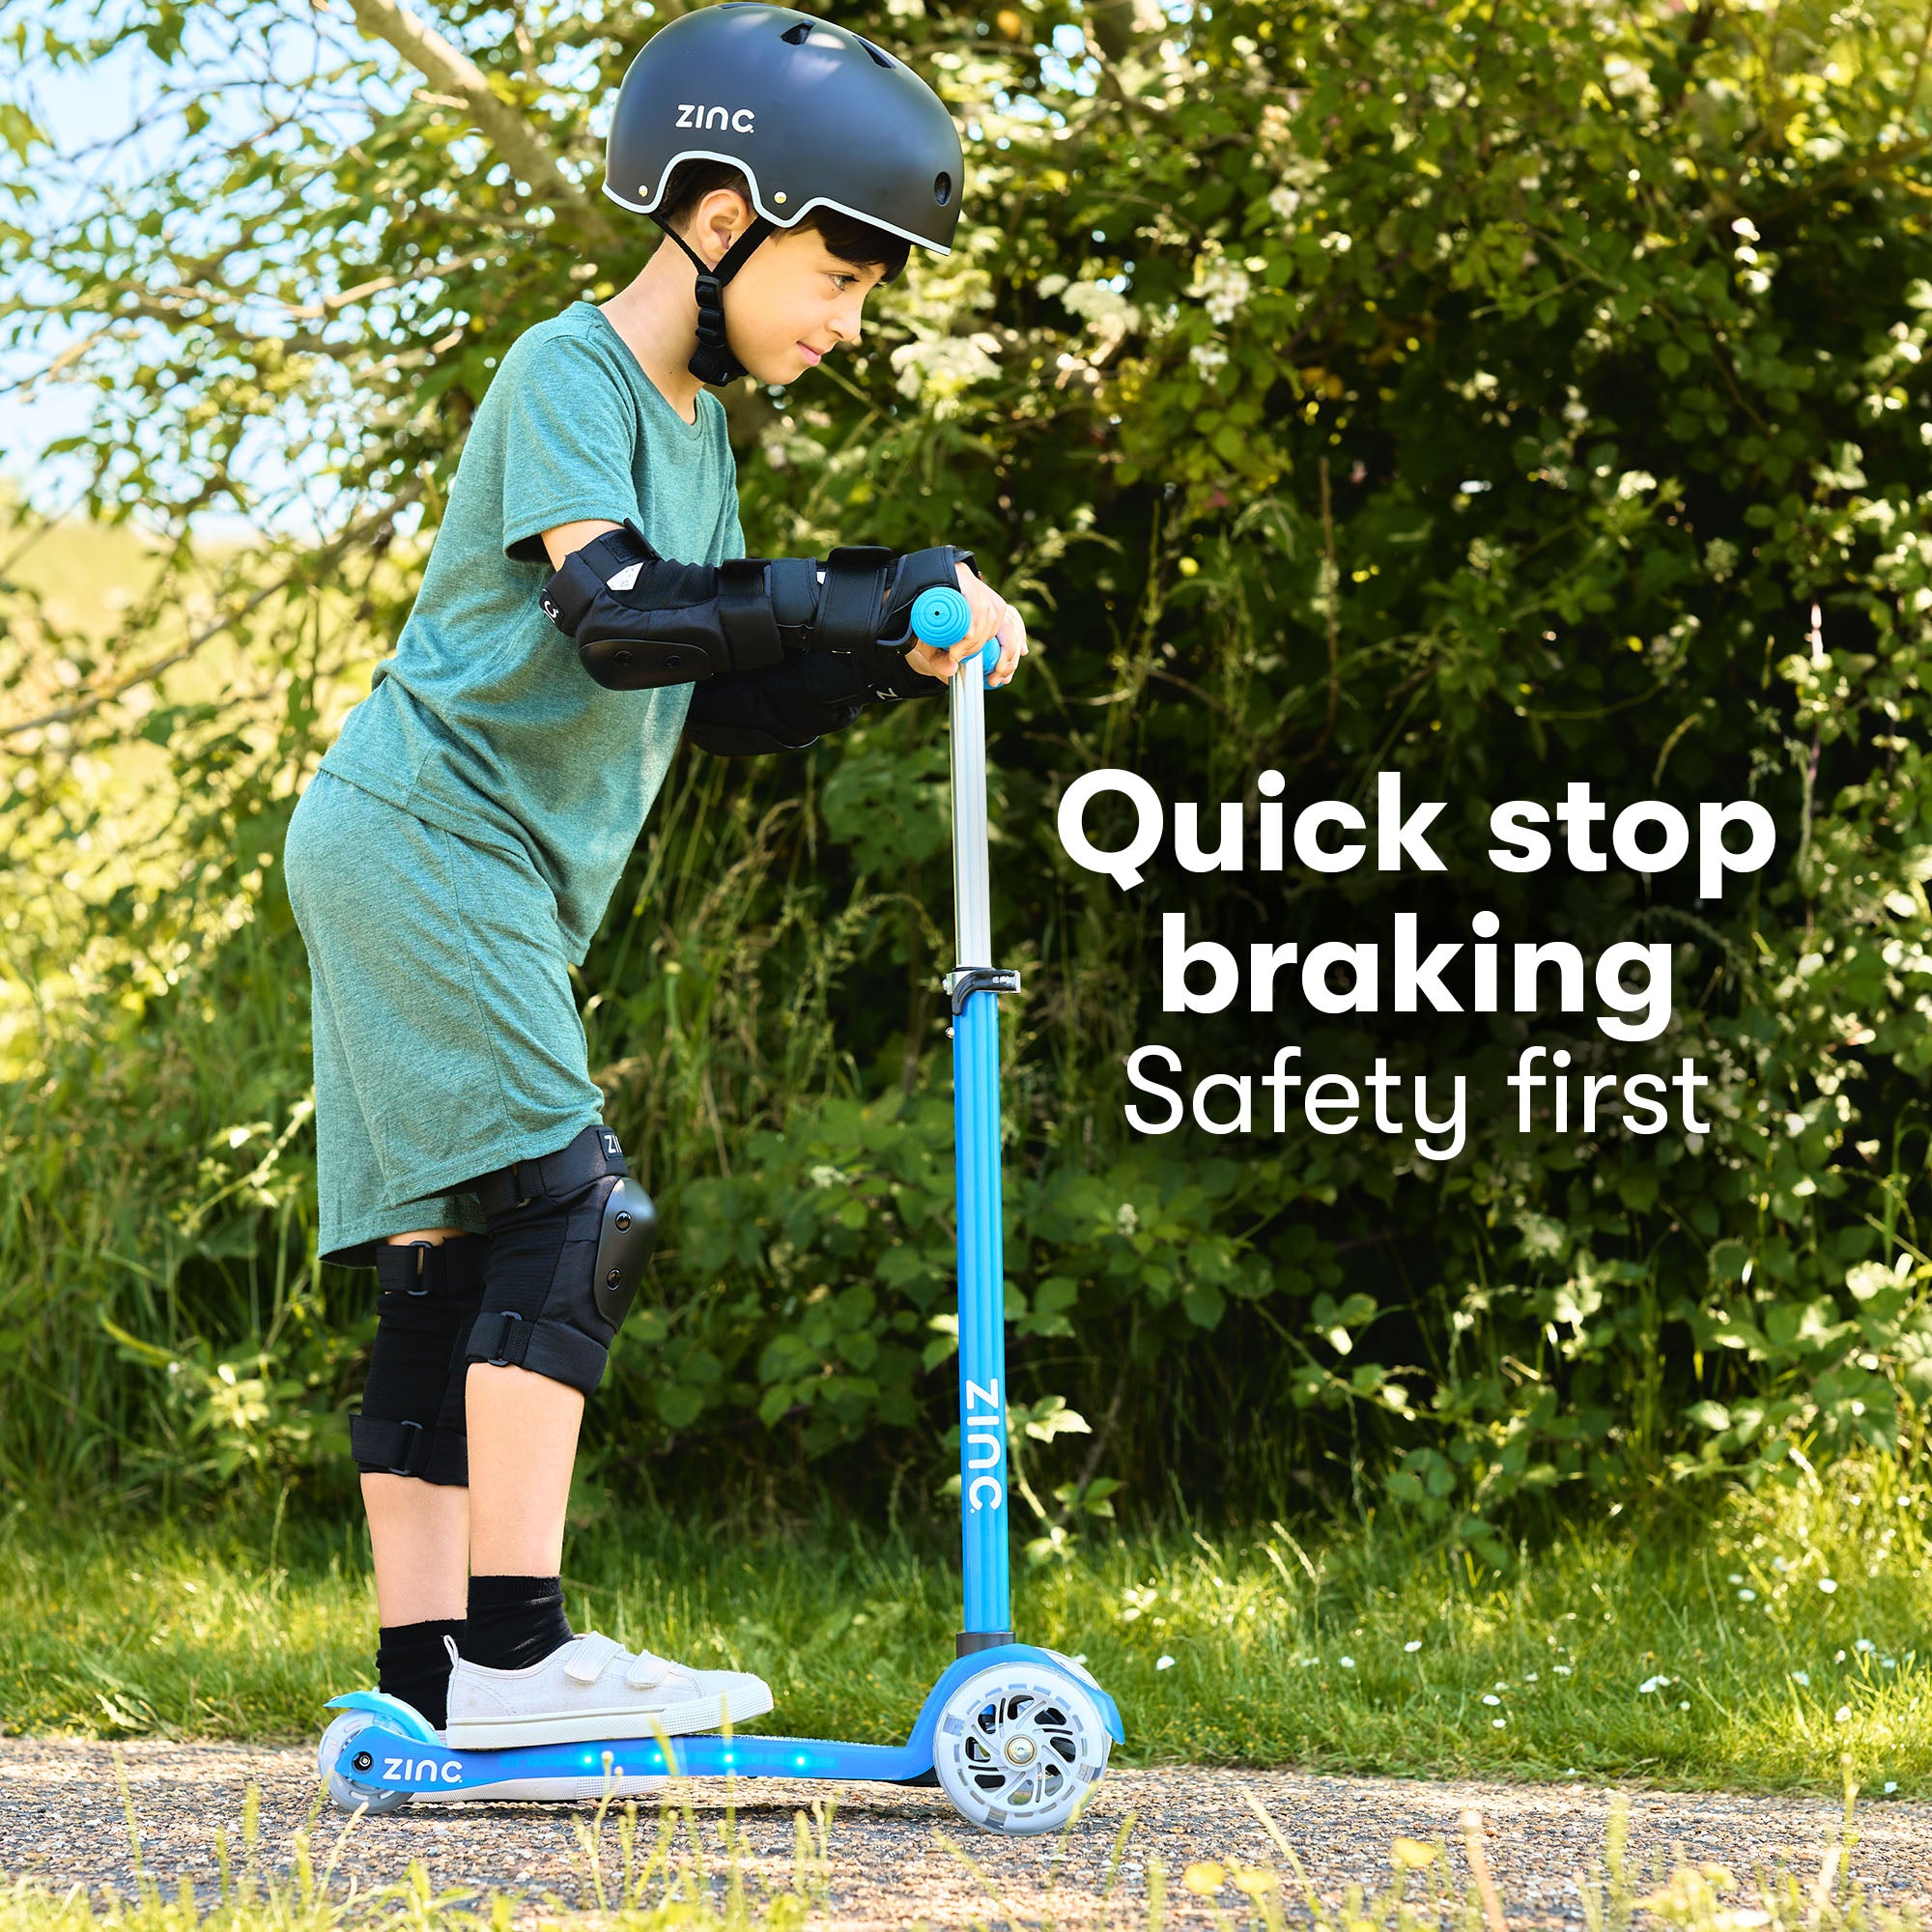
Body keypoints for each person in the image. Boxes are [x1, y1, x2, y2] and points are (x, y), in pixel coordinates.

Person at [282, 0, 1027, 1752]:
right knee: (575, 1208)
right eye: (836, 277)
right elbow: (617, 617)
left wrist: (882, 651)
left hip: (430, 852)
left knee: (444, 1262)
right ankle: (521, 1657)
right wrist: (867, 581)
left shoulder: (693, 429)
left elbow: (710, 693)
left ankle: (430, 1687)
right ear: (720, 215)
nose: (848, 321)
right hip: (428, 831)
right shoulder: (574, 373)